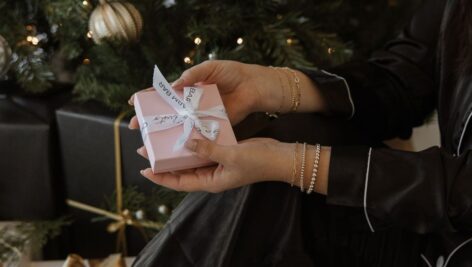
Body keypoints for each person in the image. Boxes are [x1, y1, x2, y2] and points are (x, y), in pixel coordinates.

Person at [129, 0, 472, 266]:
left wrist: (294, 164)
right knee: (287, 141)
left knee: (277, 167)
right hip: (438, 224)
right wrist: (271, 85)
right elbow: (401, 79)